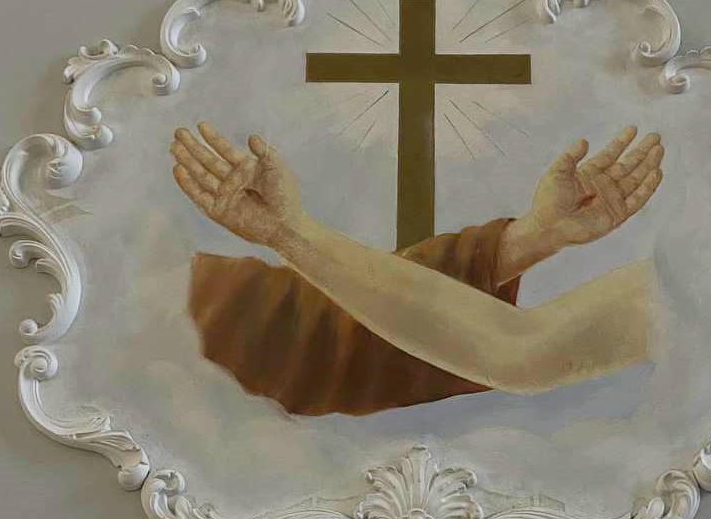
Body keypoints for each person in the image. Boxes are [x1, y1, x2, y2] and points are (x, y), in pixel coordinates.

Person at [170, 122, 664, 415]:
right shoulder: (174, 299)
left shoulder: (698, 280)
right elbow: (320, 331)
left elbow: (521, 349)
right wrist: (528, 239)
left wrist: (289, 234)